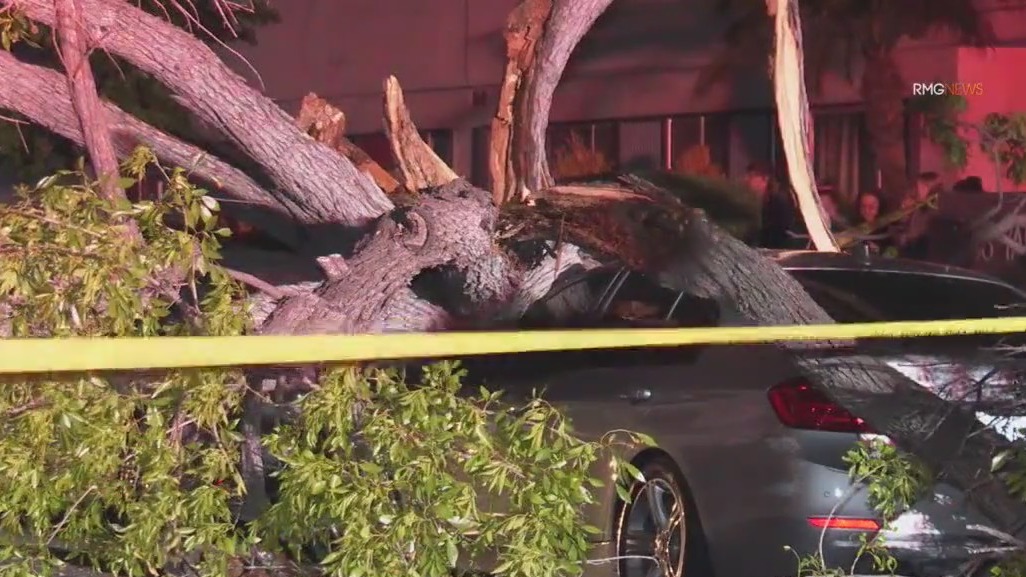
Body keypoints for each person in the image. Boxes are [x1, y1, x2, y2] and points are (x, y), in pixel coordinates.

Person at [743, 161, 797, 248]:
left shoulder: (778, 202)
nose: (746, 180)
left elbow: (777, 233)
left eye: (751, 176)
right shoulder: (759, 201)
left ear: (765, 179)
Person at [896, 172, 943, 259]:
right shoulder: (918, 204)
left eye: (922, 187)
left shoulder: (933, 208)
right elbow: (903, 224)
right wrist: (905, 211)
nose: (918, 190)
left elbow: (919, 231)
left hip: (923, 251)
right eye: (918, 186)